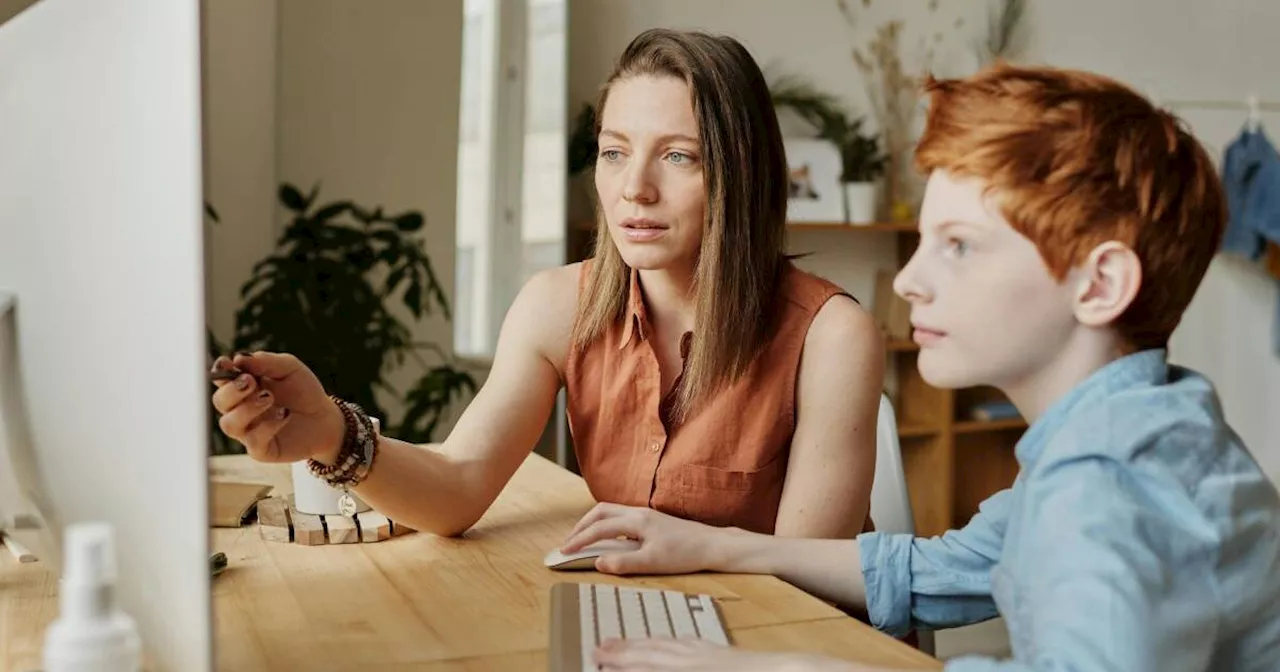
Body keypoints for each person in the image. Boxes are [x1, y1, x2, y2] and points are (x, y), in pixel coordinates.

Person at [557, 62, 1280, 671]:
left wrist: (769, 666)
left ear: (1099, 285)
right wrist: (713, 546)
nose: (908, 282)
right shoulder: (1125, 431)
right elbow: (937, 570)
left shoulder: (1113, 487)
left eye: (958, 245)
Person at [209, 28, 884, 540]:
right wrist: (331, 432)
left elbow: (806, 579)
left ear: (743, 175)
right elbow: (458, 486)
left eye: (678, 156)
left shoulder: (832, 337)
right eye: (614, 152)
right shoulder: (558, 305)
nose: (634, 189)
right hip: (644, 625)